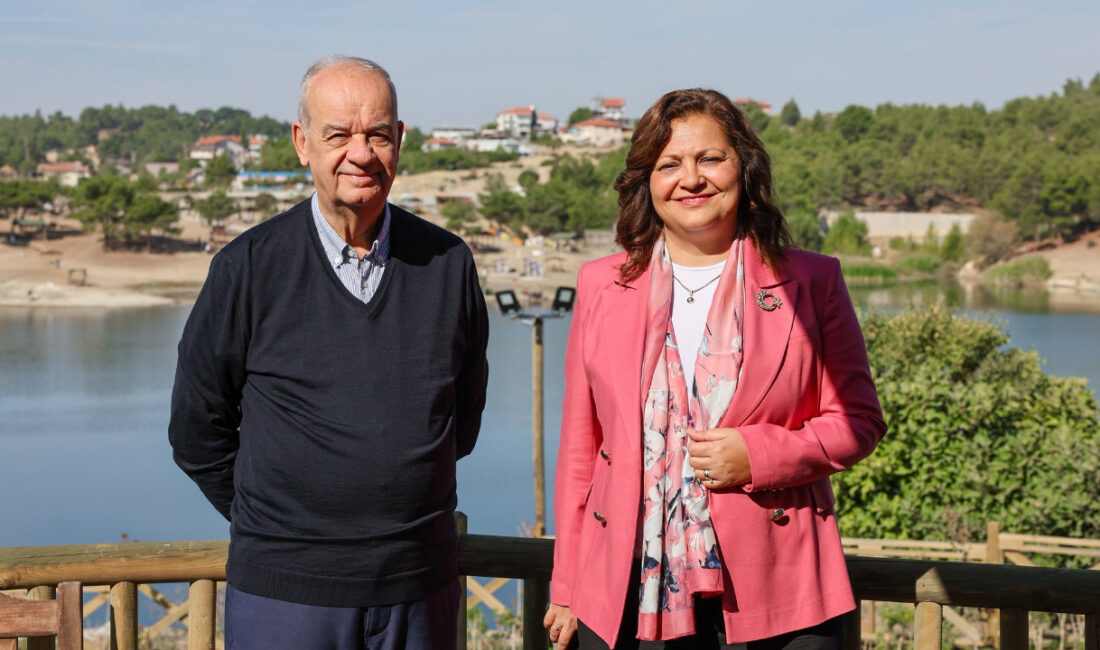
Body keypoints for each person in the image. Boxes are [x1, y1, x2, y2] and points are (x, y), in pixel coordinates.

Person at [543, 89, 886, 649]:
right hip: (628, 584)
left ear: (743, 168)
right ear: (646, 181)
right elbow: (583, 449)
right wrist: (565, 583)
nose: (691, 179)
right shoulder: (601, 285)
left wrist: (760, 454)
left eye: (710, 159)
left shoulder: (813, 281)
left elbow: (859, 422)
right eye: (669, 164)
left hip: (777, 583)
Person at [169, 55, 489, 650]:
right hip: (284, 597)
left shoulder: (449, 265)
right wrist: (279, 528)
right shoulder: (247, 268)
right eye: (339, 134)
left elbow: (460, 422)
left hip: (420, 591)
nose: (360, 153)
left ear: (400, 140)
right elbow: (195, 430)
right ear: (302, 143)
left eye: (377, 134)